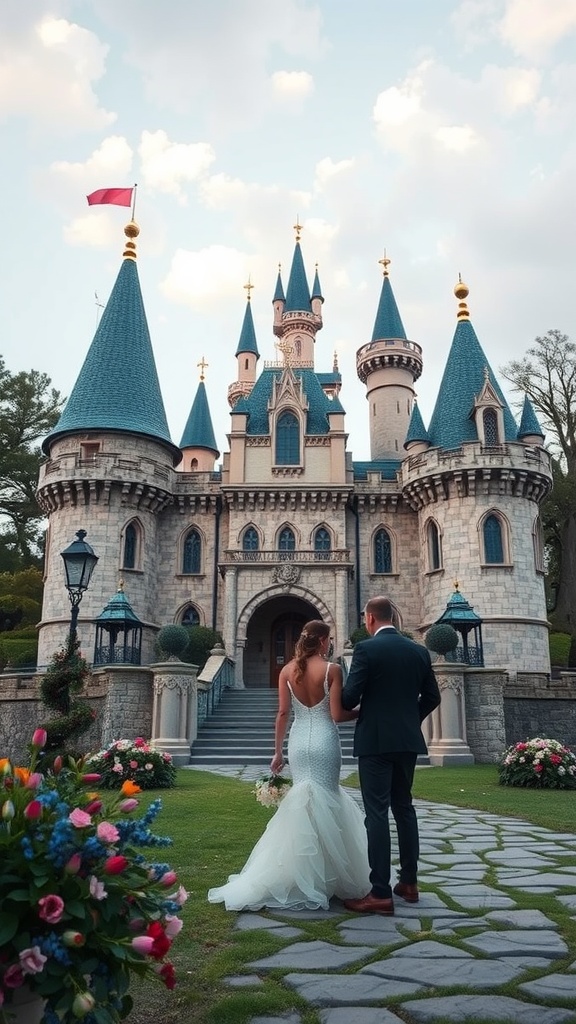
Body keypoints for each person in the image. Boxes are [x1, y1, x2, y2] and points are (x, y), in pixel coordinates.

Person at [207, 620, 370, 911]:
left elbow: (283, 713)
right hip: (324, 742)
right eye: (329, 638)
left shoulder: (287, 670)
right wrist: (362, 712)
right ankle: (329, 877)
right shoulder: (331, 670)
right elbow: (336, 714)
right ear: (322, 641)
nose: (330, 643)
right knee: (327, 798)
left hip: (298, 743)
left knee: (304, 799)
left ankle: (303, 876)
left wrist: (277, 752)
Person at [341, 596, 441, 915]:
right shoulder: (419, 650)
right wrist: (411, 719)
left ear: (370, 619)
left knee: (377, 813)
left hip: (375, 742)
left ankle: (380, 892)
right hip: (407, 740)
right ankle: (409, 883)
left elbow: (349, 697)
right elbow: (433, 697)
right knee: (404, 808)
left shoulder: (367, 650)